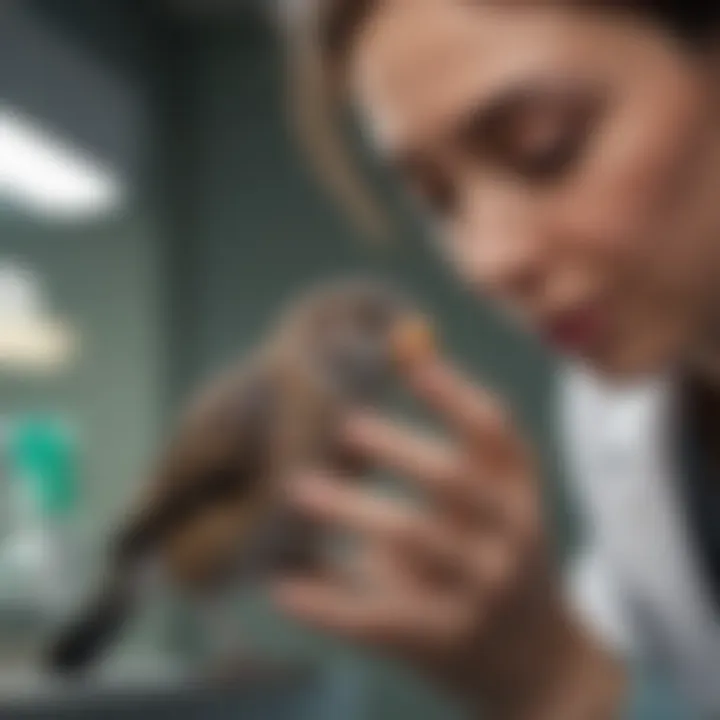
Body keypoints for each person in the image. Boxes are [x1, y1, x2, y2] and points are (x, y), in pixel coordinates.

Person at [272, 2, 720, 717]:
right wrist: (523, 637)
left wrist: (559, 685)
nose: (487, 261)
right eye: (438, 201)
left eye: (548, 148)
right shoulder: (610, 412)